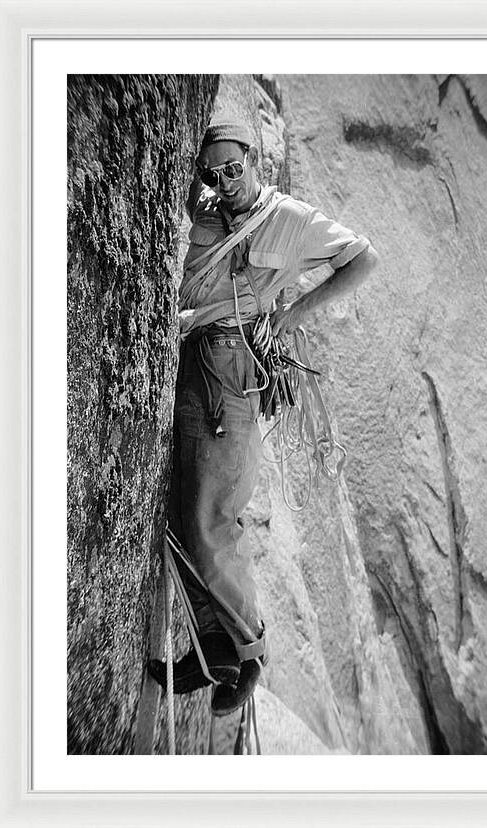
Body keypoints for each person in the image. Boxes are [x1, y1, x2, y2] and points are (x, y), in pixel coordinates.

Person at [148, 120, 380, 716]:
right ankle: (212, 649)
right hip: (195, 360)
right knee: (181, 506)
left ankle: (248, 654)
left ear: (256, 162)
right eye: (214, 174)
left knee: (214, 515)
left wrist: (292, 314)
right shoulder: (205, 210)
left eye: (235, 169)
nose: (225, 183)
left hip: (231, 370)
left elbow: (362, 259)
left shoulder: (290, 220)